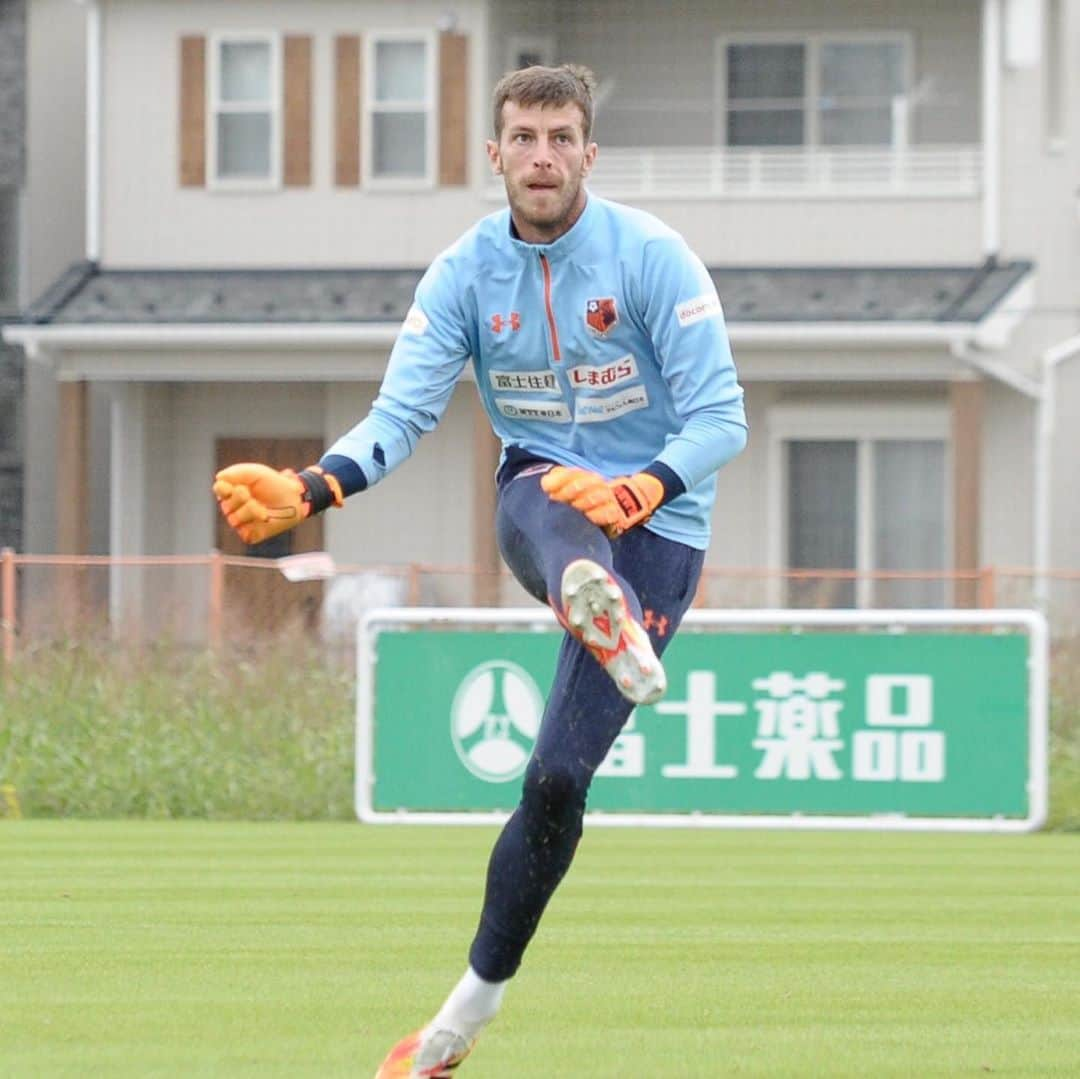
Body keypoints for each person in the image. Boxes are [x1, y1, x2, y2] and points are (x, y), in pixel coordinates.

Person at [213, 64, 747, 1079]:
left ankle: (458, 1019)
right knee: (544, 491)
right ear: (495, 155)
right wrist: (312, 485)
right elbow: (404, 410)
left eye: (560, 137)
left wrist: (642, 487)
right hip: (545, 501)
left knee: (552, 779)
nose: (541, 155)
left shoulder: (653, 257)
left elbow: (723, 416)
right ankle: (600, 604)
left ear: (589, 153)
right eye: (523, 137)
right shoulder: (462, 272)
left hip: (660, 522)